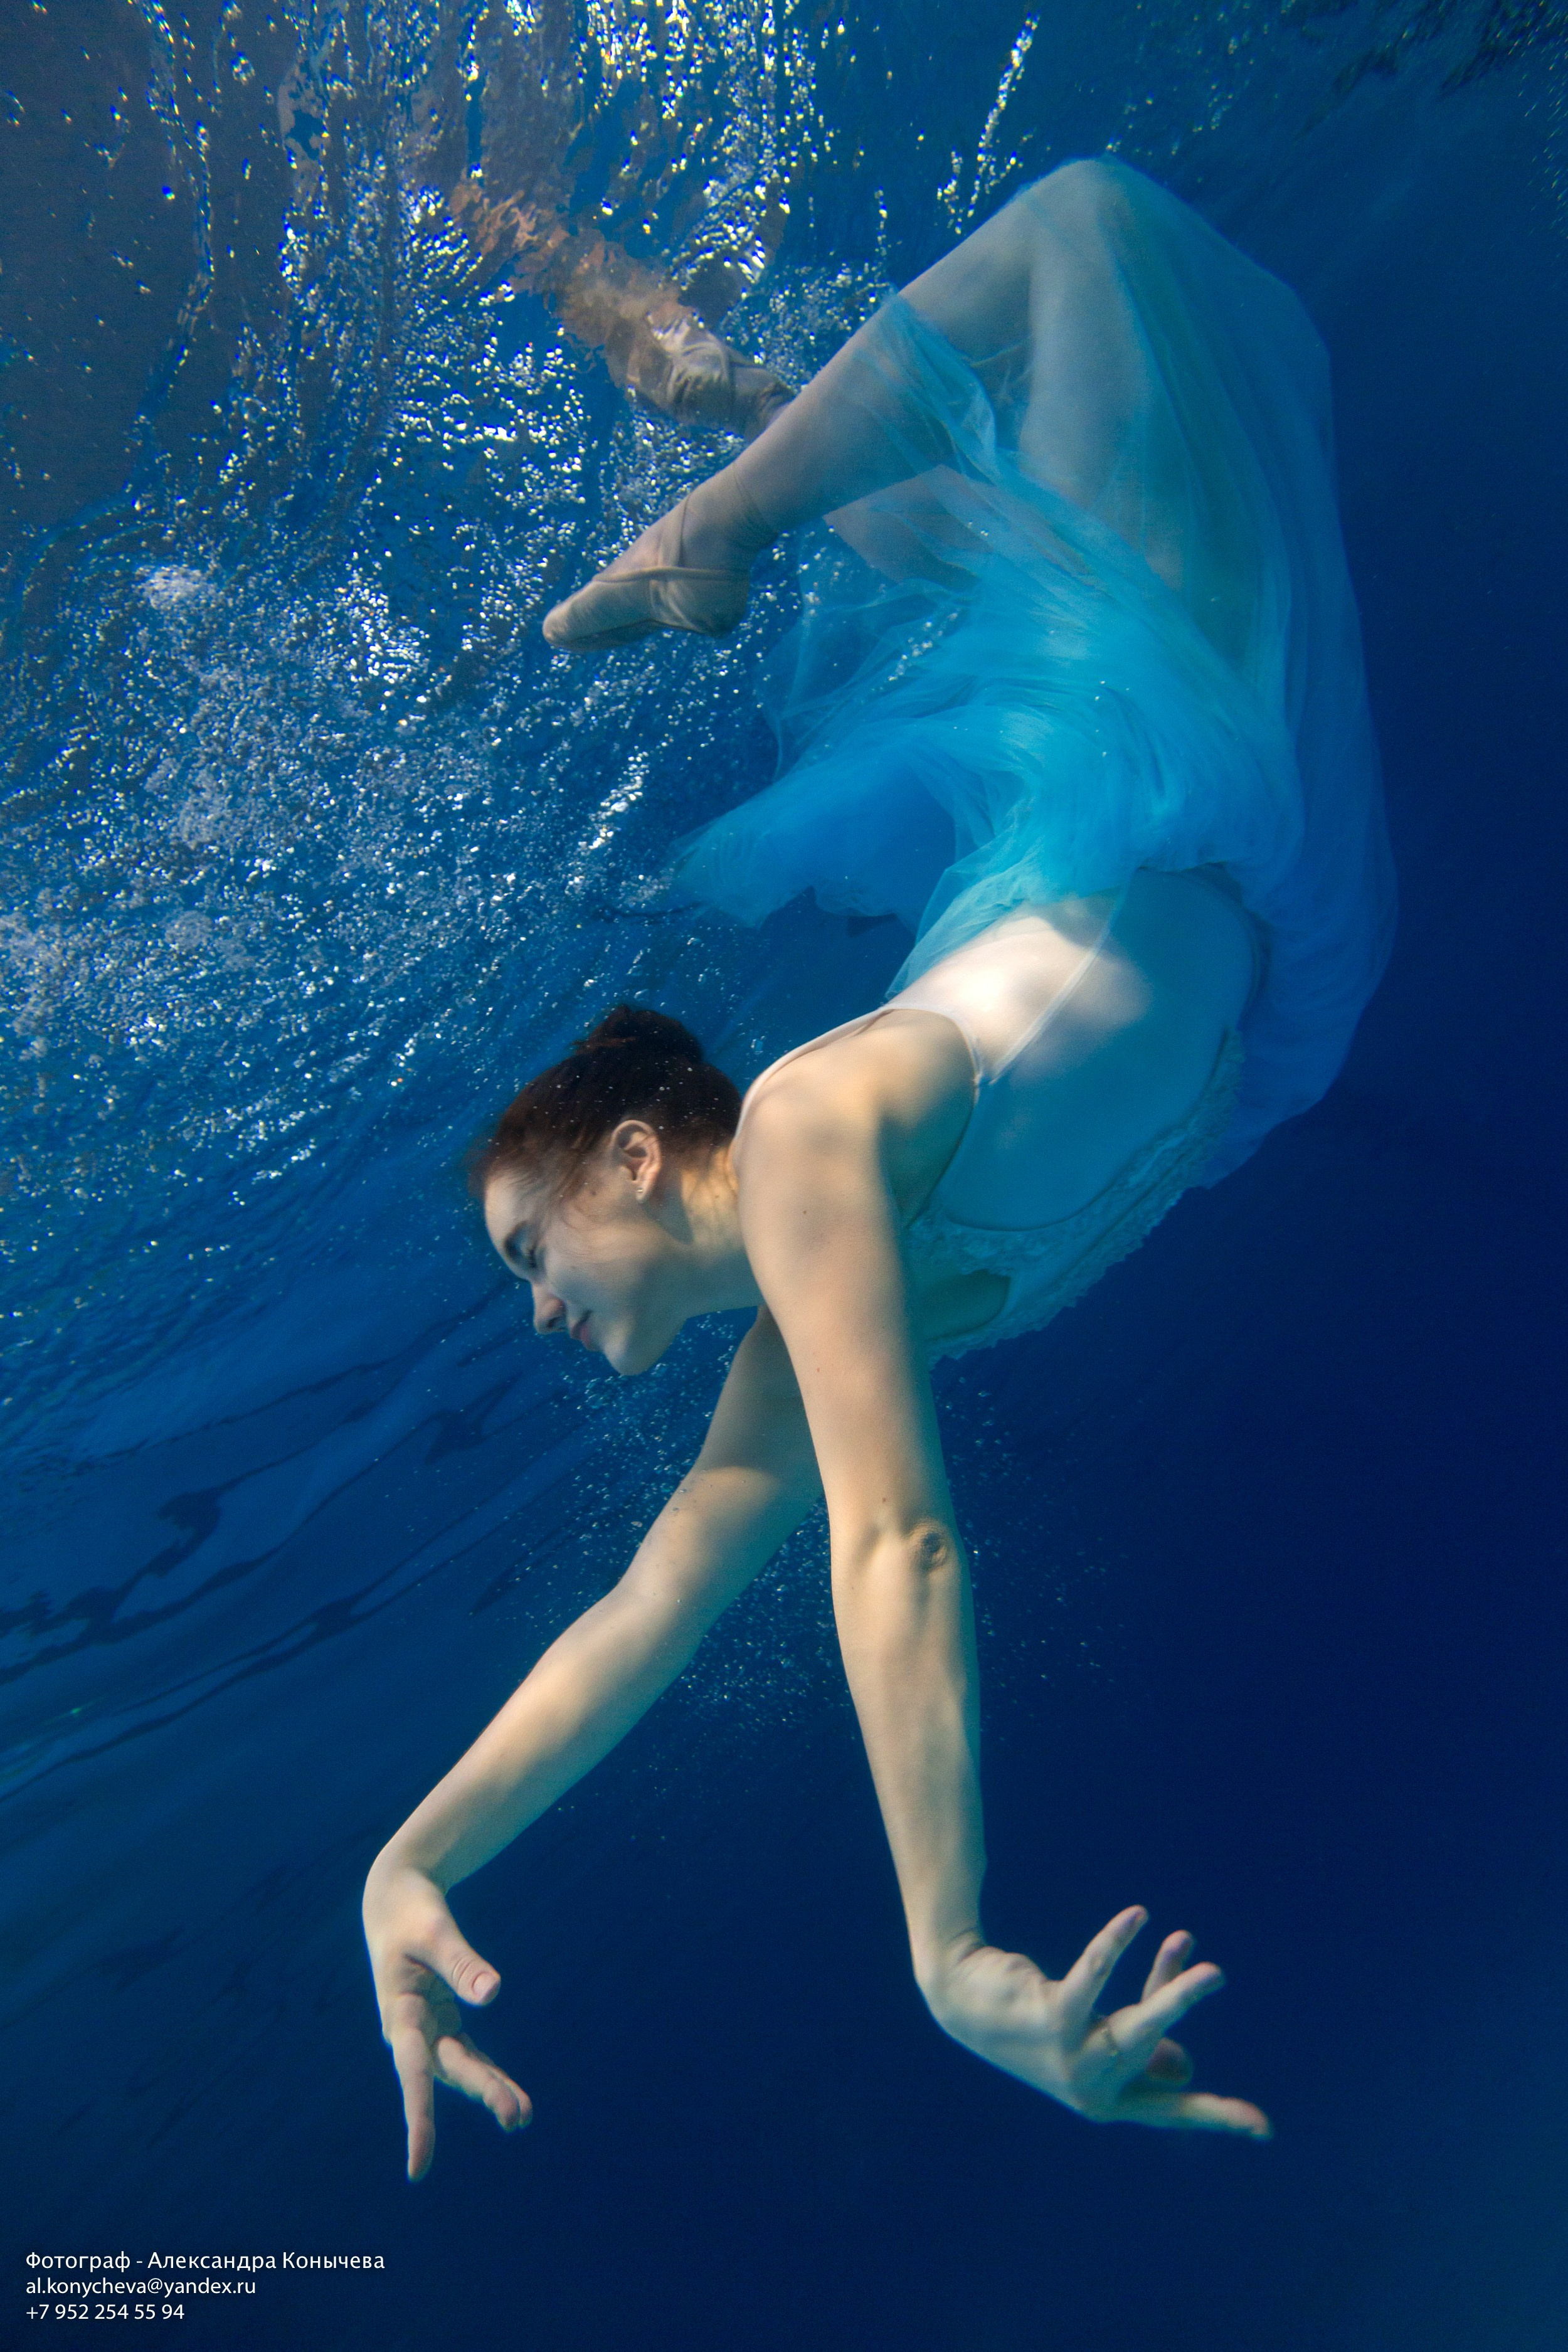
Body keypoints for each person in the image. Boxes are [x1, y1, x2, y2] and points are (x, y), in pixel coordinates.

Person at [362, 159, 1395, 2178]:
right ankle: (679, 382)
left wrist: (945, 1954)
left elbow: (895, 1549)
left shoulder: (823, 1128)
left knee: (1084, 229)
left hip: (1145, 706)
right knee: (881, 488)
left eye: (527, 1248)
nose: (539, 1308)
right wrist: (406, 1860)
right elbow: (651, 1610)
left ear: (639, 1158)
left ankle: (705, 512)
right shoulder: (821, 1298)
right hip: (1127, 854)